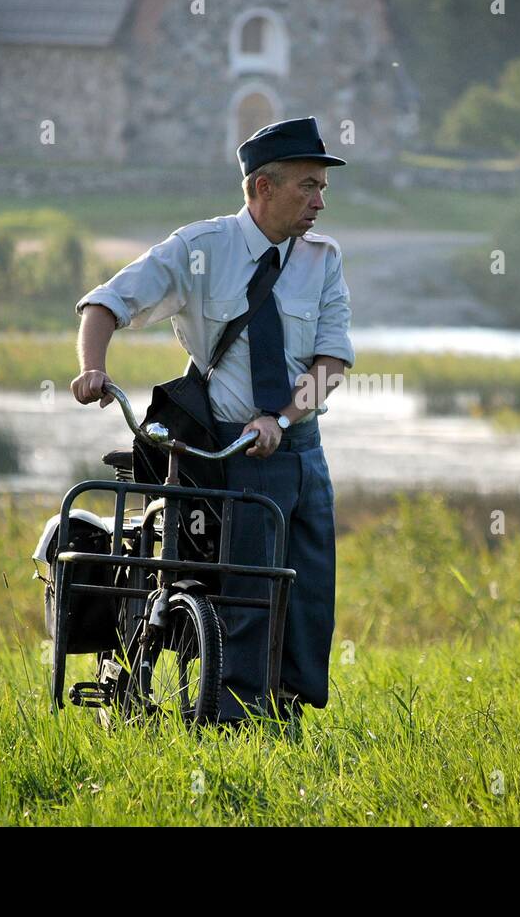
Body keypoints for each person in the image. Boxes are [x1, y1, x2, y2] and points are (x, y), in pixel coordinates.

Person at [70, 117, 355, 731]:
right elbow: (106, 302)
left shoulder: (323, 261)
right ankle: (233, 721)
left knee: (309, 594)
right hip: (233, 454)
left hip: (301, 449)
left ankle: (291, 711)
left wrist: (282, 417)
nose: (319, 201)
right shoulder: (200, 250)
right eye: (308, 185)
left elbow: (332, 362)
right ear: (261, 187)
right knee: (248, 590)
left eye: (322, 187)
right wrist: (93, 370)